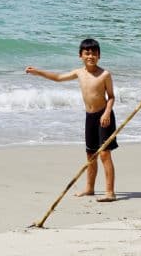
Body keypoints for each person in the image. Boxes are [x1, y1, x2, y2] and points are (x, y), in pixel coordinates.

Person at [25, 38, 118, 202]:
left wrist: (107, 113)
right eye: (87, 53)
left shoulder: (105, 74)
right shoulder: (79, 73)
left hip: (104, 116)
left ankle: (110, 192)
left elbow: (111, 97)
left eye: (94, 53)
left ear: (99, 56)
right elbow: (59, 77)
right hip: (89, 117)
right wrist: (38, 72)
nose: (91, 56)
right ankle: (90, 188)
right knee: (90, 154)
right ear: (80, 55)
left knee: (104, 154)